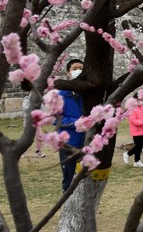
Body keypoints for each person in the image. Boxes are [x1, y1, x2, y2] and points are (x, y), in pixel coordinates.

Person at [57, 58, 86, 191]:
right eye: (75, 69)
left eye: (81, 68)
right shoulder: (61, 94)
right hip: (69, 142)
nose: (78, 71)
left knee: (86, 177)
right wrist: (76, 122)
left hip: (87, 141)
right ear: (68, 72)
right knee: (68, 178)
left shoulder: (87, 92)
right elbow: (56, 119)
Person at [123, 100, 143, 167]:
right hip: (136, 131)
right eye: (139, 100)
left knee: (140, 146)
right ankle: (127, 154)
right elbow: (133, 121)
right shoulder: (132, 109)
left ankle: (137, 161)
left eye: (141, 100)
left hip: (142, 130)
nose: (141, 101)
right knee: (139, 145)